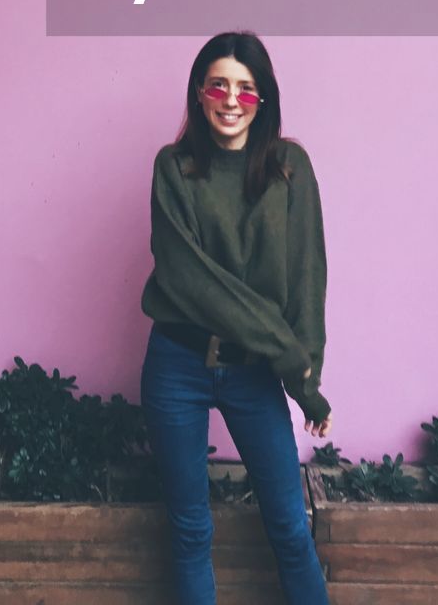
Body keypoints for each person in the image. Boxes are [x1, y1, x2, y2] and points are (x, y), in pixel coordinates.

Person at [139, 30, 332, 605]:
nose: (231, 100)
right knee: (192, 532)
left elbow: (306, 282)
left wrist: (306, 381)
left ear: (263, 100)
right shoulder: (174, 168)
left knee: (291, 530)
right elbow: (192, 283)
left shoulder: (289, 167)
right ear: (199, 94)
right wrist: (292, 362)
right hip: (177, 365)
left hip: (254, 371)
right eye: (218, 85)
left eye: (246, 90)